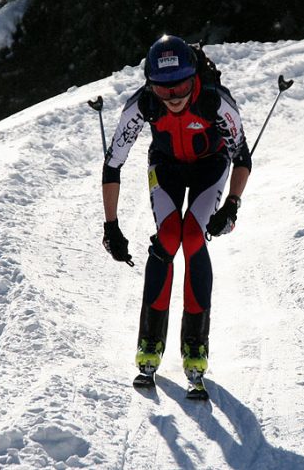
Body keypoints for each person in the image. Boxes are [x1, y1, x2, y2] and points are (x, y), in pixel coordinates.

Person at [101, 34, 252, 387]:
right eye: (163, 89)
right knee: (169, 237)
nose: (173, 98)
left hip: (209, 165)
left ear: (194, 77)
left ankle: (195, 345)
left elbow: (241, 156)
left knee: (193, 236)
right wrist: (111, 226)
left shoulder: (215, 102)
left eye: (181, 86)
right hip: (166, 166)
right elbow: (112, 165)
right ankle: (150, 341)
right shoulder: (142, 105)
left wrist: (231, 205)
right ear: (150, 84)